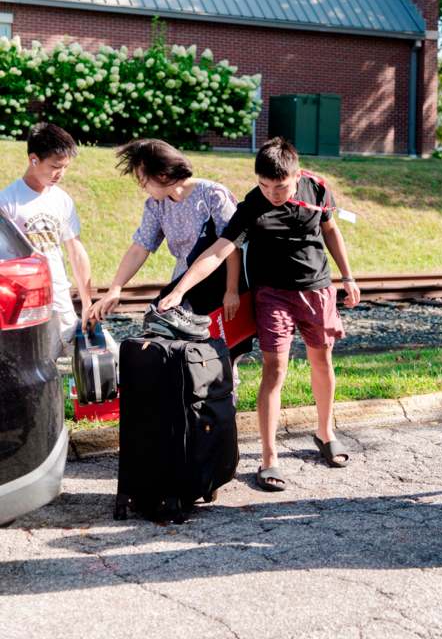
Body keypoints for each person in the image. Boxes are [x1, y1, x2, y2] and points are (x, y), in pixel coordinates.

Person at [157, 137, 360, 492]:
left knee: (322, 362)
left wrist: (348, 276)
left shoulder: (318, 189)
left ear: (296, 175)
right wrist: (179, 290)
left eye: (279, 187)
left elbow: (331, 230)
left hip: (317, 289)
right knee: (274, 369)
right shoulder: (252, 204)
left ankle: (326, 433)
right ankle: (269, 457)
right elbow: (219, 250)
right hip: (272, 294)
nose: (272, 194)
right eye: (264, 185)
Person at [89, 137, 242, 330]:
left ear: (162, 175)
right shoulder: (156, 204)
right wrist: (115, 289)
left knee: (222, 349)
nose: (142, 187)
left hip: (221, 282)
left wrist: (232, 290)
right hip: (183, 284)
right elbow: (140, 247)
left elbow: (231, 247)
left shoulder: (213, 195)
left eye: (143, 181)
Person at [0, 123, 93, 357]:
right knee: (38, 365)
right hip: (26, 306)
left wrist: (87, 302)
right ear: (33, 159)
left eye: (65, 167)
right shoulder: (7, 201)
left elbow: (76, 250)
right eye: (54, 167)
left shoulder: (62, 200)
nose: (60, 174)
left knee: (92, 361)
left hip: (60, 298)